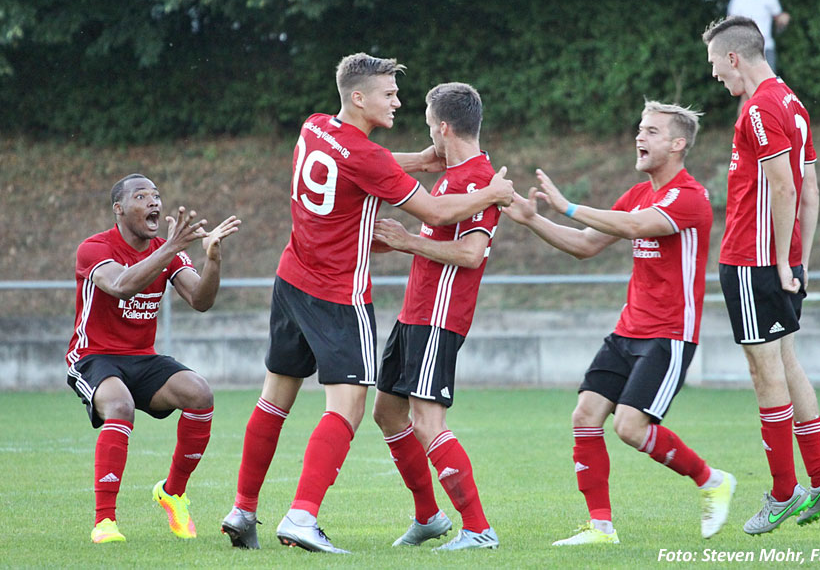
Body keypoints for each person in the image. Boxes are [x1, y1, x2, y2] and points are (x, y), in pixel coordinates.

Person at [220, 53, 514, 553]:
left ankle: (243, 509)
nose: (397, 102)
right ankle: (301, 517)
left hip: (292, 279)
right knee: (352, 406)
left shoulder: (315, 128)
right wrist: (495, 192)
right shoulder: (451, 178)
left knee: (277, 398)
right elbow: (428, 204)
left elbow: (366, 163)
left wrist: (422, 163)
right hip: (337, 293)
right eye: (389, 94)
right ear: (359, 98)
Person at [503, 101, 735, 544]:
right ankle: (601, 528)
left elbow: (634, 227)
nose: (639, 137)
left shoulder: (691, 197)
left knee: (630, 426)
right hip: (628, 330)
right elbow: (586, 245)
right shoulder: (637, 193)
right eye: (639, 128)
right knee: (586, 416)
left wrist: (567, 205)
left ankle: (712, 481)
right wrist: (534, 219)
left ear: (678, 144)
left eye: (650, 131)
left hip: (670, 335)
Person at [703, 15, 820, 535]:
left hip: (751, 262)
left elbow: (786, 188)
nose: (717, 75)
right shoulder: (792, 101)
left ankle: (783, 493)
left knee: (766, 375)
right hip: (778, 264)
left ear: (734, 58)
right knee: (786, 363)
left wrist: (783, 263)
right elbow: (811, 191)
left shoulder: (760, 108)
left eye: (717, 65)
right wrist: (799, 260)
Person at [66, 173, 240, 544]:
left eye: (156, 196)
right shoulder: (94, 248)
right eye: (142, 197)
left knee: (200, 394)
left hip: (141, 358)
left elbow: (201, 301)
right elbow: (122, 284)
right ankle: (105, 522)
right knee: (119, 405)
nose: (154, 203)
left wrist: (213, 260)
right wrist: (169, 249)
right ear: (119, 210)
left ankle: (173, 493)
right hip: (94, 356)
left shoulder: (169, 251)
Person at [370, 82, 501, 552]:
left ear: (444, 127)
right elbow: (386, 166)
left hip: (439, 318)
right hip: (414, 313)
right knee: (387, 413)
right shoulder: (452, 175)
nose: (428, 137)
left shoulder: (479, 181)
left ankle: (478, 528)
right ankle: (428, 518)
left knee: (427, 421)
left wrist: (407, 241)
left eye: (430, 127)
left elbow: (470, 254)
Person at [727, 0, 789, 73]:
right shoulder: (737, 0)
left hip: (766, 47)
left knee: (769, 82)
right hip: (744, 50)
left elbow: (778, 18)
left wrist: (783, 20)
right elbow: (731, 26)